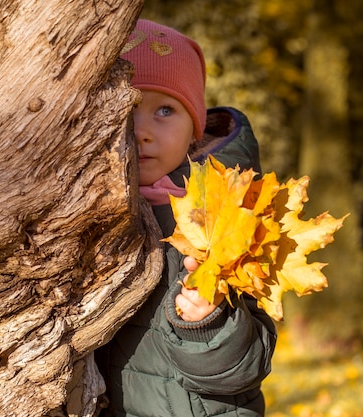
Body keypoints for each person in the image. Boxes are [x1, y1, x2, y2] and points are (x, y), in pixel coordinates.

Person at [96, 19, 277, 417]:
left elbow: (247, 368)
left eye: (165, 109)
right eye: (127, 107)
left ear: (195, 131)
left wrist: (209, 324)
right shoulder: (73, 215)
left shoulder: (225, 216)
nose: (141, 130)